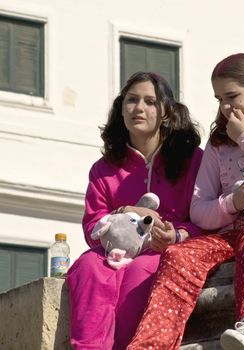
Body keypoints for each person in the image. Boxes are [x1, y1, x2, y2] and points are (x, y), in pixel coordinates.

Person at [127, 53, 244, 350]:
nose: (226, 107)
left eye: (232, 96)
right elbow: (199, 211)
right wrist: (232, 203)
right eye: (219, 99)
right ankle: (151, 344)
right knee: (179, 255)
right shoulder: (219, 142)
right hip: (229, 235)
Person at [66, 72, 204, 349]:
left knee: (142, 271)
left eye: (150, 102)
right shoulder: (103, 168)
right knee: (88, 266)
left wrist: (175, 235)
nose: (139, 108)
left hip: (165, 252)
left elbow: (207, 219)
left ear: (165, 112)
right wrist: (120, 213)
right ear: (121, 108)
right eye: (131, 100)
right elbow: (92, 228)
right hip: (112, 252)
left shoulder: (193, 160)